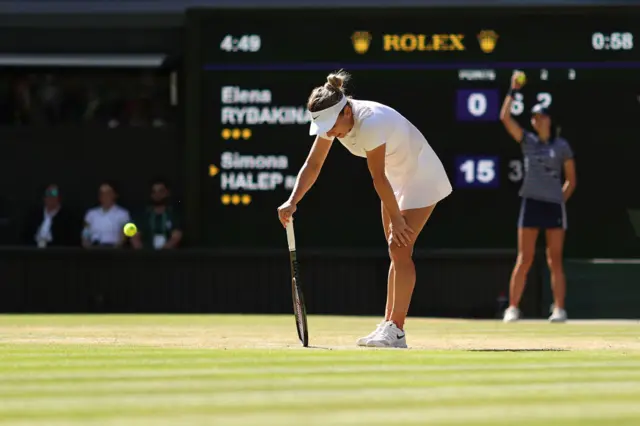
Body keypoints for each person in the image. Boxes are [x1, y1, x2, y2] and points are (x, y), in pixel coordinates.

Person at [277, 70, 452, 348]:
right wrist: (293, 199)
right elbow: (313, 164)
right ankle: (389, 325)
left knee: (400, 248)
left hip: (421, 175)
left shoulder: (370, 121)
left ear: (346, 111)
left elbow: (378, 177)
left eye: (332, 126)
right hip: (395, 180)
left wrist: (397, 218)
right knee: (394, 250)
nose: (330, 133)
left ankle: (397, 329)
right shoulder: (335, 122)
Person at [499, 72, 577, 323]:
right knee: (525, 257)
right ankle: (512, 308)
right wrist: (512, 90)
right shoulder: (528, 141)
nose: (536, 119)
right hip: (530, 202)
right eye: (534, 117)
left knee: (554, 258)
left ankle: (559, 309)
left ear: (548, 120)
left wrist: (559, 199)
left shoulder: (561, 145)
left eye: (540, 116)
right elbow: (504, 117)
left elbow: (571, 180)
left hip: (553, 206)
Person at [131, 179, 183, 250]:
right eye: (154, 192)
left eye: (161, 191)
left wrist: (162, 253)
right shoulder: (144, 215)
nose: (157, 195)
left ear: (167, 193)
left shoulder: (173, 215)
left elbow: (176, 237)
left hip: (168, 256)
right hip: (146, 255)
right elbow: (135, 237)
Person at [82, 181, 131, 248]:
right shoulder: (91, 214)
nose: (105, 196)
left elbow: (124, 236)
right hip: (94, 249)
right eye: (102, 193)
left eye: (108, 193)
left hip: (114, 250)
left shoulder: (123, 214)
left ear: (115, 195)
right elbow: (85, 233)